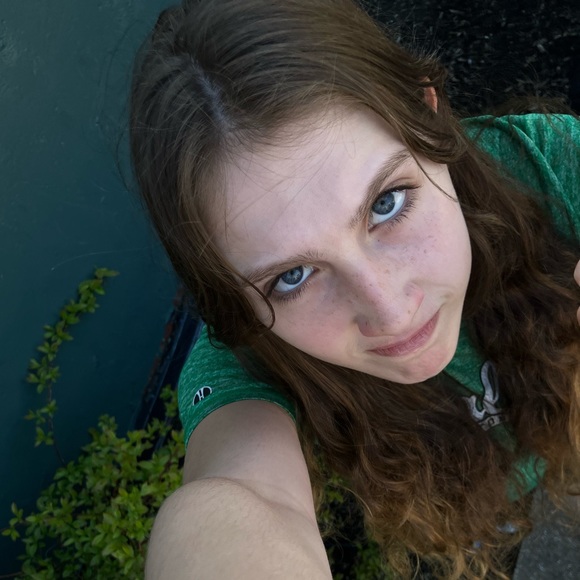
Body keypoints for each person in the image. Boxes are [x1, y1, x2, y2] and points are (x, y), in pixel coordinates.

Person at [129, 0, 580, 577]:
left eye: (387, 203)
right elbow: (243, 497)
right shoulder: (245, 359)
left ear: (428, 121)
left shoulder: (541, 166)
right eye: (291, 277)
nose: (390, 313)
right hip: (486, 512)